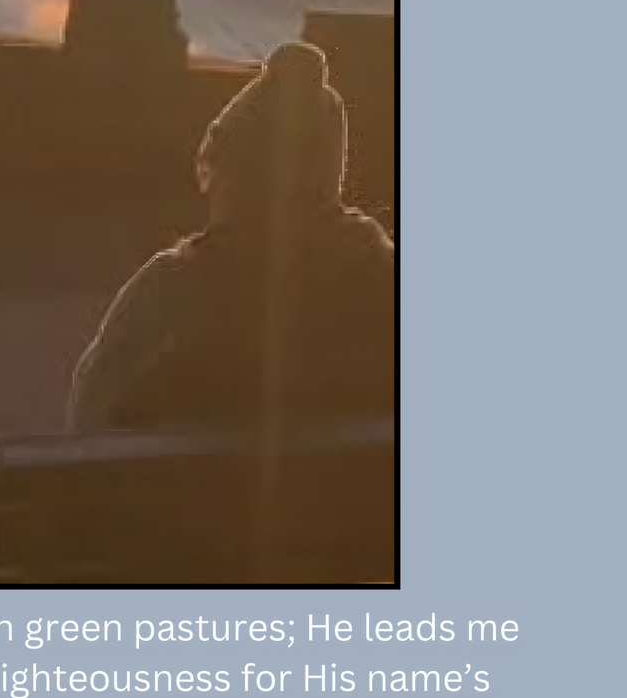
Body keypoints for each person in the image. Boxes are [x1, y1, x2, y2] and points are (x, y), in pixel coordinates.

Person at [68, 40, 394, 434]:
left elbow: (88, 420)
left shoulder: (169, 290)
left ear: (234, 173)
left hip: (189, 495)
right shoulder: (384, 279)